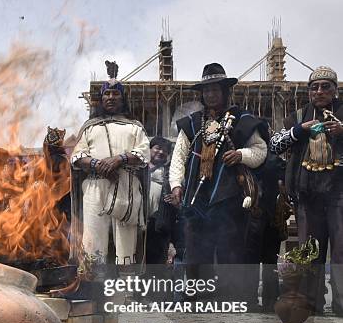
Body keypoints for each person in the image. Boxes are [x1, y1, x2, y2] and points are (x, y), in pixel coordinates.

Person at [169, 63, 268, 304]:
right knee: (195, 252)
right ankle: (196, 301)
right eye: (207, 90)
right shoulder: (192, 123)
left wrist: (241, 155)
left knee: (230, 253)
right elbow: (179, 157)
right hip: (195, 200)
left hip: (230, 199)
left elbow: (261, 150)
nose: (211, 94)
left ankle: (230, 300)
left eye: (216, 89)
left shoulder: (243, 121)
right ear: (201, 94)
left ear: (225, 92)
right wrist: (175, 185)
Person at [270, 66, 343, 316]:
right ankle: (310, 304)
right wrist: (299, 130)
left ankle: (342, 306)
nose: (319, 91)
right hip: (307, 195)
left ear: (335, 90)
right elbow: (274, 145)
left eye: (325, 86)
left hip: (339, 194)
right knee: (309, 250)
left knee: (342, 249)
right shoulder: (298, 116)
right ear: (309, 92)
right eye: (314, 87)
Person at [70, 60, 150, 271]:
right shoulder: (89, 128)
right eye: (107, 94)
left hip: (126, 186)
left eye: (116, 94)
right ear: (101, 99)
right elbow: (77, 157)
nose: (111, 97)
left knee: (126, 244)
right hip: (95, 187)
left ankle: (125, 297)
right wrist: (97, 165)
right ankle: (93, 297)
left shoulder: (135, 127)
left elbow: (143, 153)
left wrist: (119, 160)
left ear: (123, 98)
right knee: (92, 245)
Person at [146, 136, 176, 266]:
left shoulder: (171, 173)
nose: (161, 152)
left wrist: (175, 200)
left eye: (165, 150)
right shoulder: (138, 169)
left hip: (159, 225)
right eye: (157, 148)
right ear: (149, 149)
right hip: (138, 223)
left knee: (156, 263)